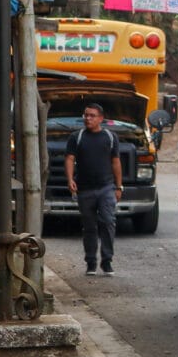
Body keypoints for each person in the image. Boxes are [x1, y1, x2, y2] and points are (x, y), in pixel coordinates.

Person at [65, 103, 123, 277]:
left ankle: (107, 261)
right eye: (86, 115)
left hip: (106, 187)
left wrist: (118, 186)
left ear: (100, 118)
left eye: (92, 116)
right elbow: (69, 158)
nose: (88, 118)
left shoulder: (110, 137)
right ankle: (91, 262)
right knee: (89, 226)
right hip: (85, 189)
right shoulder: (77, 137)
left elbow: (116, 162)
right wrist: (70, 180)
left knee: (107, 221)